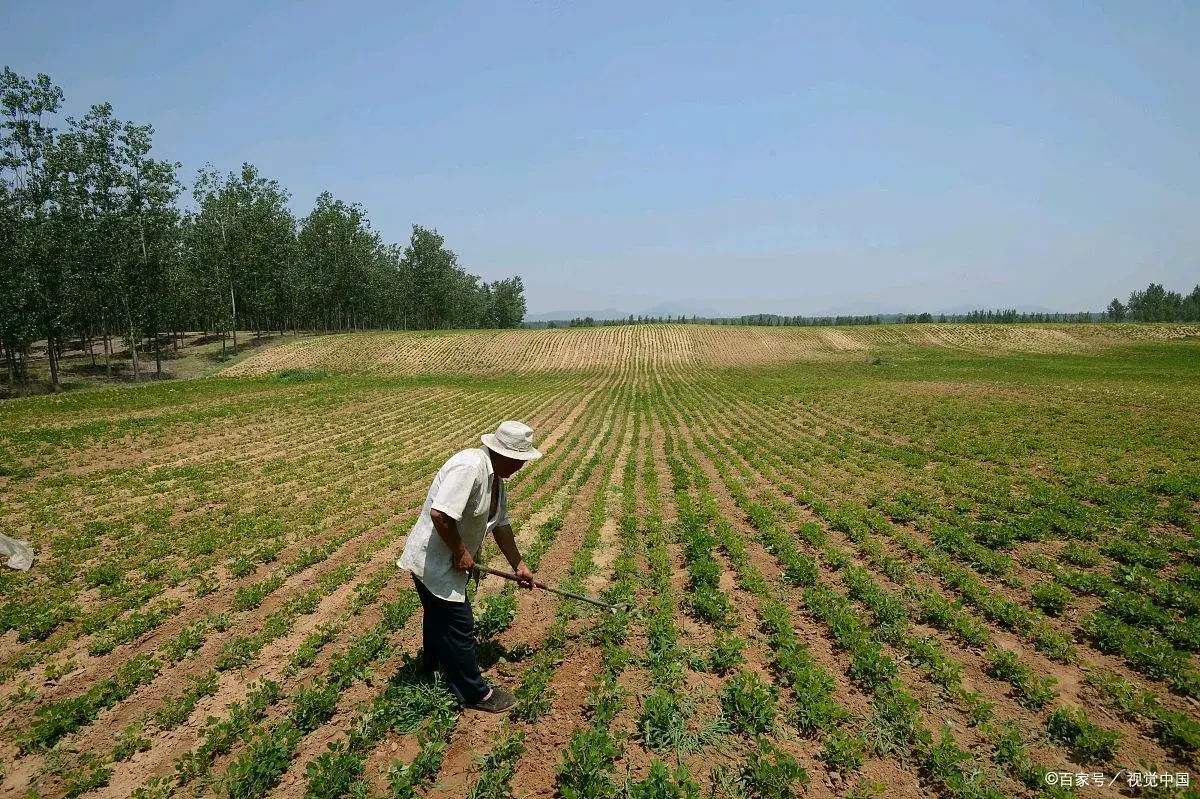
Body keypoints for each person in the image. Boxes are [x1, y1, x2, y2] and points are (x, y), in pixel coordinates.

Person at [397, 420, 542, 712]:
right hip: (434, 559)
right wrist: (461, 552)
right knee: (459, 624)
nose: (520, 467)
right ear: (501, 453)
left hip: (447, 561)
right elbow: (440, 515)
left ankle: (432, 668)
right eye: (518, 460)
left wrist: (519, 565)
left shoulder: (495, 480)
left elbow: (501, 525)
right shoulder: (469, 468)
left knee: (439, 618)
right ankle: (475, 693)